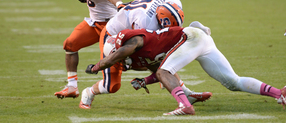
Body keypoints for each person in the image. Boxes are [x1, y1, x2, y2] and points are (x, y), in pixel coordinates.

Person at [86, 21, 286, 116]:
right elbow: (159, 73)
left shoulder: (130, 40)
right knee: (233, 82)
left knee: (166, 71)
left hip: (191, 37)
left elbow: (128, 51)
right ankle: (280, 93)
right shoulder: (137, 54)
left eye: (115, 55)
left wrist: (99, 65)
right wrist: (145, 81)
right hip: (199, 40)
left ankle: (185, 106)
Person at [79, 0, 212, 109]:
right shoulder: (146, 23)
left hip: (132, 29)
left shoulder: (172, 2)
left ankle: (185, 94)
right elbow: (141, 53)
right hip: (112, 38)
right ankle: (88, 93)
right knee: (111, 86)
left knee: (162, 62)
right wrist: (97, 66)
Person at [54, 0, 123, 99]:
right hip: (94, 22)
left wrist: (120, 4)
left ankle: (166, 74)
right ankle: (72, 87)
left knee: (113, 83)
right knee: (70, 44)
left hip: (110, 26)